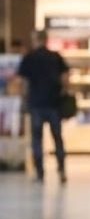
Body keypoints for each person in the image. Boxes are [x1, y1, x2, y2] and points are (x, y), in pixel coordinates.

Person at [17, 30, 68, 184]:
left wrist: (24, 99)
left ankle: (40, 173)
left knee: (37, 139)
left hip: (36, 104)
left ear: (35, 40)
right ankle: (61, 170)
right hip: (54, 103)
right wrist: (63, 92)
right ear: (45, 39)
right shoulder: (56, 57)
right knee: (57, 138)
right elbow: (65, 78)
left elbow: (24, 82)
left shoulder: (29, 58)